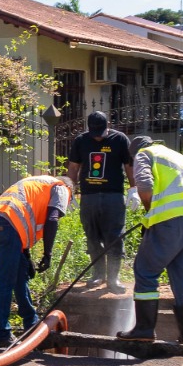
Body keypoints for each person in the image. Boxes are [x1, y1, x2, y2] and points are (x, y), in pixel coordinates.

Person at [118, 136, 183, 342]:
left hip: (170, 220)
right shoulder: (175, 155)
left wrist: (149, 212)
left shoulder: (144, 155)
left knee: (145, 271)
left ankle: (144, 330)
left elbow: (145, 186)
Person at [0, 174, 74, 349]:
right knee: (5, 280)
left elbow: (23, 216)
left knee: (19, 276)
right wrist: (48, 254)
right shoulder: (62, 187)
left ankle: (31, 325)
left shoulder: (40, 183)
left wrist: (26, 256)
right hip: (9, 224)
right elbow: (52, 218)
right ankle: (1, 333)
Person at [65, 111, 132, 292]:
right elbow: (73, 167)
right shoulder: (81, 141)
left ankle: (113, 279)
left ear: (107, 125)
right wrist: (70, 192)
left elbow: (129, 165)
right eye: (94, 133)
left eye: (100, 132)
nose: (98, 137)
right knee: (92, 236)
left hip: (113, 196)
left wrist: (133, 189)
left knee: (115, 237)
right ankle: (98, 275)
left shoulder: (120, 140)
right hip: (89, 197)